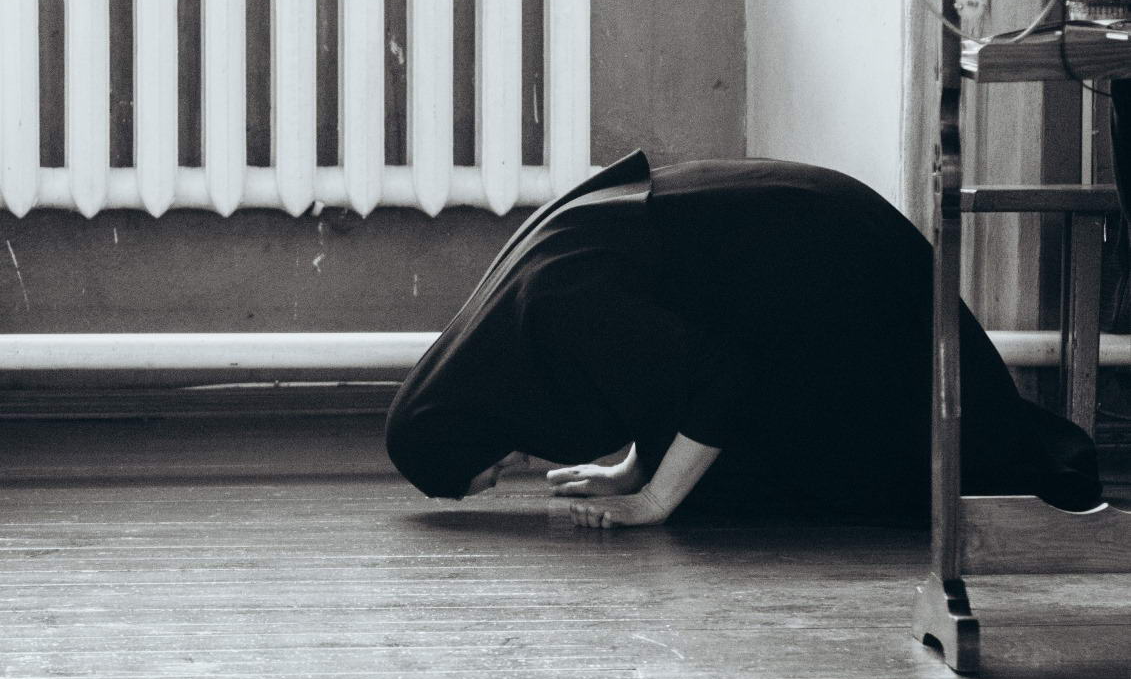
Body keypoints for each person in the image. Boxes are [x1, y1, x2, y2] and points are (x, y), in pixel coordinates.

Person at [385, 151, 1102, 529]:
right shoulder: (517, 315)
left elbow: (717, 372)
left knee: (874, 471)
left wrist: (654, 500)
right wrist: (635, 467)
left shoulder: (556, 309)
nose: (518, 458)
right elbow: (658, 358)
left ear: (468, 423)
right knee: (731, 474)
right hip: (801, 239)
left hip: (834, 261)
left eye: (494, 463)